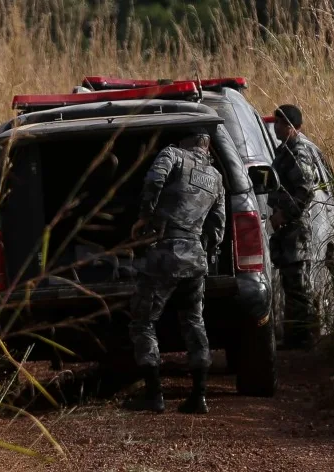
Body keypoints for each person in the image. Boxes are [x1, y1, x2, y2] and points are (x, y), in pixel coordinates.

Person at [124, 127, 226, 414]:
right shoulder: (216, 178)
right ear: (206, 145)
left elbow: (155, 179)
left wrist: (145, 217)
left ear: (185, 140)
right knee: (194, 322)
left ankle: (154, 395)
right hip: (195, 257)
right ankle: (199, 395)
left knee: (143, 321)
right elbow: (218, 225)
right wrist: (208, 250)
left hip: (166, 253)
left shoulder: (173, 155)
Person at [268, 104, 318, 349]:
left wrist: (285, 215)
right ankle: (295, 337)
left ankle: (303, 340)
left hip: (295, 229)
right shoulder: (285, 151)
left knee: (298, 286)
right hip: (286, 229)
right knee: (290, 284)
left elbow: (305, 190)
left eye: (280, 123)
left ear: (290, 126)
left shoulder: (299, 152)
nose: (276, 127)